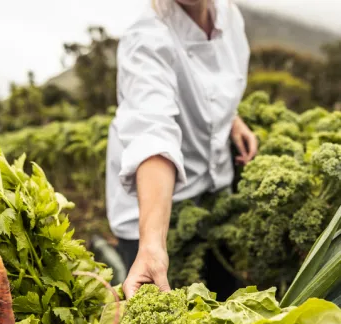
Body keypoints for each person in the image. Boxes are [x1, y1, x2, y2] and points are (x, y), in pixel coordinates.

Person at [106, 0, 258, 299]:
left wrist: (232, 120)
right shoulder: (146, 36)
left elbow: (213, 85)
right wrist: (151, 244)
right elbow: (153, 132)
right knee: (166, 319)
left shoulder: (229, 16)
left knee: (224, 292)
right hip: (153, 206)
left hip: (211, 190)